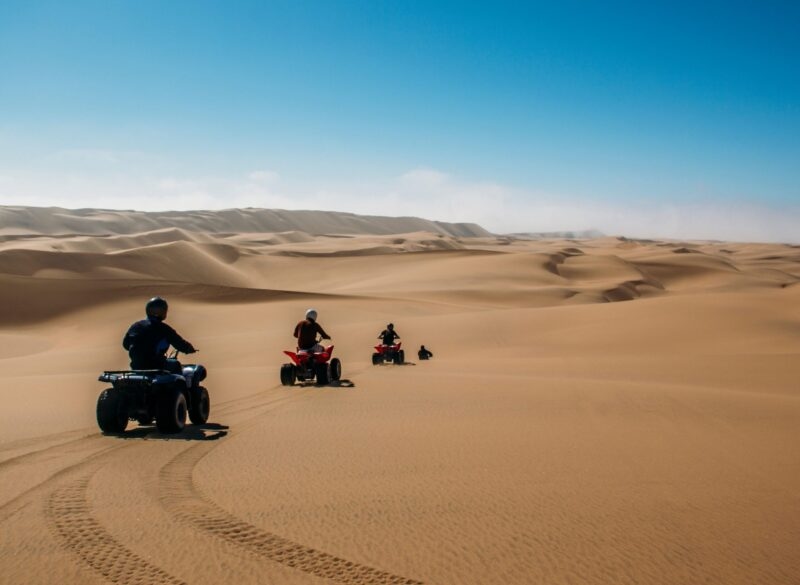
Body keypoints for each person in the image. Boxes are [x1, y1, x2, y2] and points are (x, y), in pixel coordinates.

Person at [122, 296, 196, 370]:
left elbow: (125, 345)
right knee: (176, 364)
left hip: (135, 367)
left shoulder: (135, 326)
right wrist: (188, 348)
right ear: (163, 312)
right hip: (156, 365)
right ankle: (184, 382)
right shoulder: (164, 329)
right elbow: (179, 343)